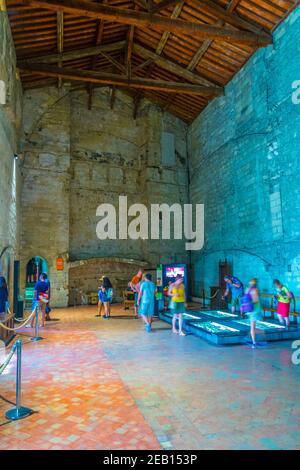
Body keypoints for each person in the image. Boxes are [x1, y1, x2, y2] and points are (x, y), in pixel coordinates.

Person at [242, 278, 262, 348]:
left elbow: (245, 298)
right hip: (254, 310)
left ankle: (252, 340)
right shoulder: (254, 290)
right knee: (253, 327)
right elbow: (255, 300)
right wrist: (249, 302)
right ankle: (254, 342)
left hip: (250, 310)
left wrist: (245, 305)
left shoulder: (247, 289)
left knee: (253, 326)